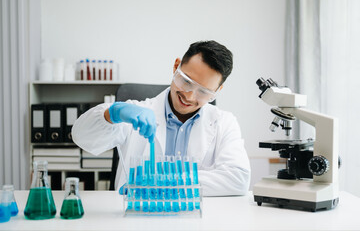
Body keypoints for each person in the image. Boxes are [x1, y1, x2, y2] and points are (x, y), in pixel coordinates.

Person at [72, 40, 250, 196]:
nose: (189, 96)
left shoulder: (224, 123)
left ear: (217, 91)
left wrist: (166, 182)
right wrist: (113, 113)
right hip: (136, 218)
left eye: (203, 92)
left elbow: (238, 178)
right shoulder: (136, 112)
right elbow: (82, 137)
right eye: (186, 81)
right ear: (176, 67)